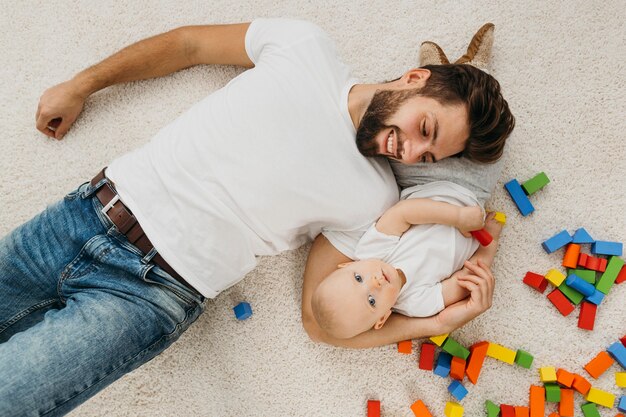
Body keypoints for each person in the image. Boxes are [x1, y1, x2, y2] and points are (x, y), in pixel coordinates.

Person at [1, 18, 514, 415]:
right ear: (414, 78)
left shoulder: (376, 202)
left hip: (150, 293)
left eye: (426, 157)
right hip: (84, 213)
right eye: (423, 127)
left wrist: (441, 321)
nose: (407, 150)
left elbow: (322, 323)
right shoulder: (305, 48)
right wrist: (83, 84)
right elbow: (188, 46)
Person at [309, 181, 503, 340]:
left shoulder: (370, 250)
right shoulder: (416, 304)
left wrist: (458, 216)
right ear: (383, 317)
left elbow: (404, 213)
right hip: (476, 216)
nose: (375, 283)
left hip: (440, 187)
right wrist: (489, 243)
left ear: (349, 264)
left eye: (358, 278)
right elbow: (466, 280)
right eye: (371, 300)